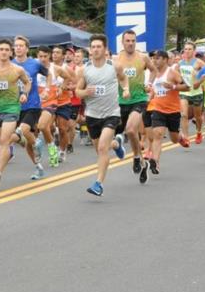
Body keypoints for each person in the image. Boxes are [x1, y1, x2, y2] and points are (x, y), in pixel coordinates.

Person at [78, 34, 128, 197]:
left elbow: (123, 79)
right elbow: (78, 92)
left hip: (111, 113)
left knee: (101, 148)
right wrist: (85, 92)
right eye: (93, 47)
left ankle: (98, 184)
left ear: (105, 49)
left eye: (99, 46)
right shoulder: (84, 70)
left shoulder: (114, 66)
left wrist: (126, 89)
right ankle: (117, 144)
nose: (96, 49)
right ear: (90, 50)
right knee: (101, 149)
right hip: (92, 115)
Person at [0, 39, 32, 187]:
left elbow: (27, 82)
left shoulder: (17, 70)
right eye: (1, 49)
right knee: (1, 138)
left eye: (6, 50)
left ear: (10, 52)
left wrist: (24, 94)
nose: (4, 52)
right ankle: (18, 137)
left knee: (4, 141)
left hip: (12, 108)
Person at [11, 36, 52, 180]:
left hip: (33, 105)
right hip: (16, 107)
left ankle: (37, 142)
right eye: (16, 46)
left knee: (23, 130)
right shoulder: (10, 65)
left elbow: (48, 74)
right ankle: (38, 167)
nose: (18, 48)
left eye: (21, 45)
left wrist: (47, 89)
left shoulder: (35, 64)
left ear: (27, 48)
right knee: (27, 143)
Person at [116, 30, 155, 176]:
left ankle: (137, 157)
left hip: (139, 99)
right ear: (123, 42)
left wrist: (149, 84)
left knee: (131, 130)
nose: (131, 43)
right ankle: (141, 160)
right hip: (121, 101)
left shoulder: (143, 57)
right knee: (124, 134)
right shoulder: (116, 58)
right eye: (128, 41)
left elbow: (153, 70)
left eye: (133, 40)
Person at [145, 50, 188, 181]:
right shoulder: (152, 73)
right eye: (153, 59)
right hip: (158, 109)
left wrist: (173, 87)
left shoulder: (172, 72)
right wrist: (148, 97)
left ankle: (180, 137)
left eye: (157, 58)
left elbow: (187, 87)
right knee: (157, 134)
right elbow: (152, 90)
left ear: (164, 59)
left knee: (174, 139)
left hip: (173, 111)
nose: (154, 61)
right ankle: (155, 162)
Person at [178, 41, 205, 144]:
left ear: (194, 51)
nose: (187, 51)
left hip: (196, 93)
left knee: (197, 116)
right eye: (186, 49)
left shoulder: (198, 62)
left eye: (190, 49)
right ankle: (186, 137)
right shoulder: (180, 63)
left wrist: (199, 80)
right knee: (184, 115)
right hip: (185, 92)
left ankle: (199, 132)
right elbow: (176, 74)